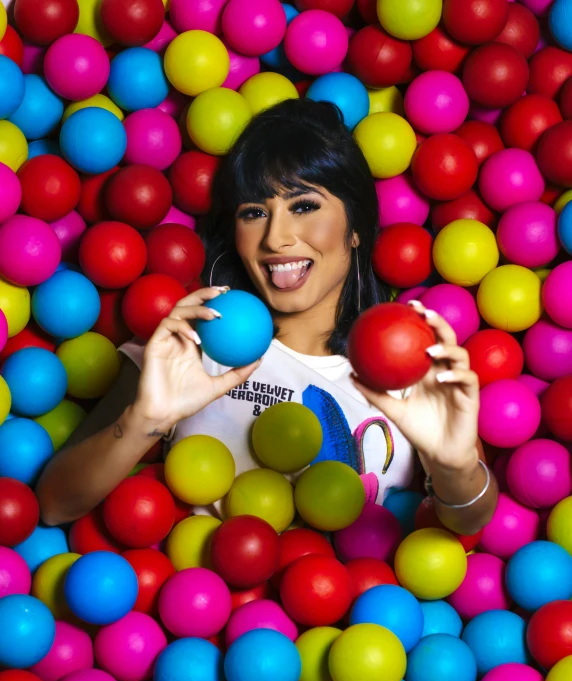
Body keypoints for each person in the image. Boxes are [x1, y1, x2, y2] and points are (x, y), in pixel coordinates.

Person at [37, 99, 498, 534]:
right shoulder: (187, 347)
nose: (277, 238)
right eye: (255, 212)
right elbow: (54, 505)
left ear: (355, 229)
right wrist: (144, 421)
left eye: (304, 206)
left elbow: (469, 523)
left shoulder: (409, 366)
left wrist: (453, 465)